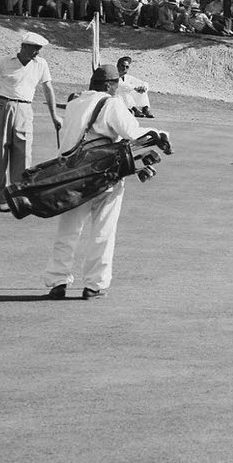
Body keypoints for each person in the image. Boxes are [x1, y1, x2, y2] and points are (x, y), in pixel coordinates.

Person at [43, 63, 169, 300]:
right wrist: (162, 135)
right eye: (115, 86)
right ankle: (94, 285)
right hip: (103, 175)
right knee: (103, 231)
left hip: (71, 175)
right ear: (109, 85)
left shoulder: (75, 102)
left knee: (68, 230)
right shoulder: (111, 103)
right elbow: (134, 132)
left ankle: (57, 281)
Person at [0, 32, 62, 212]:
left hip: (25, 109)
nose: (37, 52)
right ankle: (1, 199)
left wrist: (54, 116)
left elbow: (48, 89)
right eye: (34, 48)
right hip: (3, 107)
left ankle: (19, 196)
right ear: (24, 47)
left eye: (39, 49)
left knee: (23, 154)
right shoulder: (6, 61)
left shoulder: (41, 64)